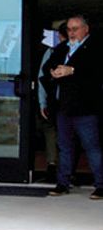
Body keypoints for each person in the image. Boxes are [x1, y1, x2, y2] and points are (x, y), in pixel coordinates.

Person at [42, 14, 103, 199]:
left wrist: (73, 70)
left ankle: (100, 184)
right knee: (64, 146)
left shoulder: (95, 47)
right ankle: (63, 183)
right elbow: (46, 69)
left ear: (86, 29)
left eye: (75, 29)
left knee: (91, 146)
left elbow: (97, 72)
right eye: (69, 29)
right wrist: (53, 72)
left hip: (85, 108)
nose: (72, 33)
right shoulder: (61, 48)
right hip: (63, 107)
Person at [37, 22, 68, 183]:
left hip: (58, 101)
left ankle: (54, 166)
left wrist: (42, 102)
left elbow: (41, 78)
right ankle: (63, 171)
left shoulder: (52, 52)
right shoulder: (53, 51)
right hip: (61, 102)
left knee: (54, 132)